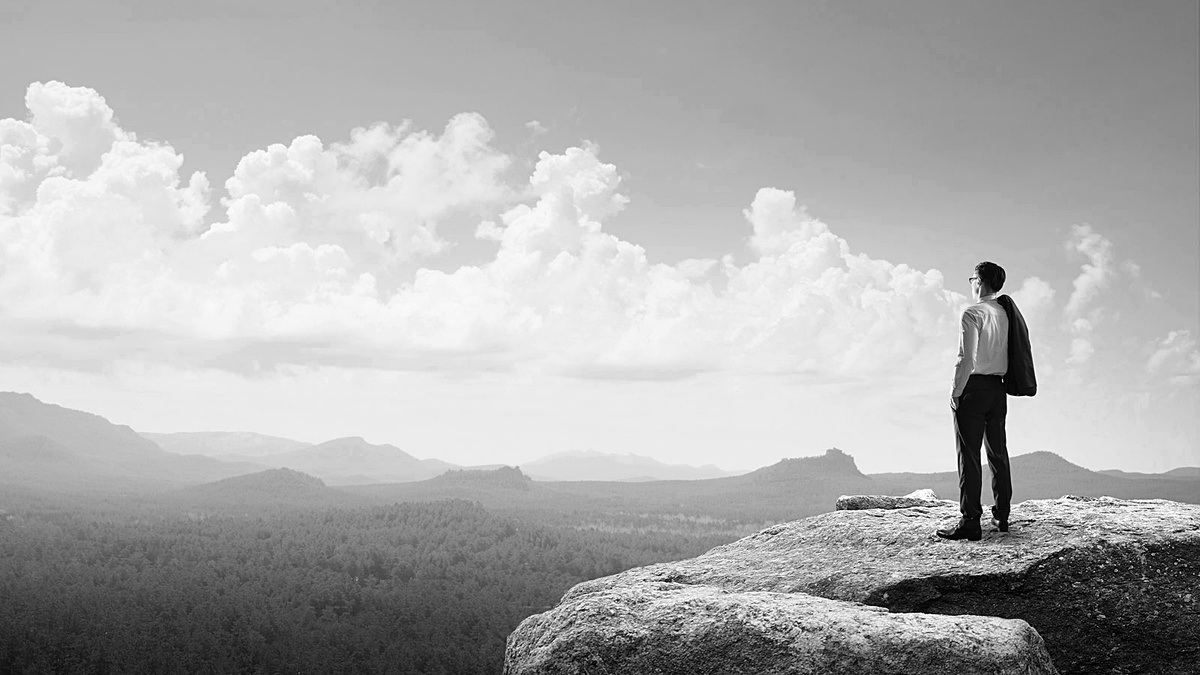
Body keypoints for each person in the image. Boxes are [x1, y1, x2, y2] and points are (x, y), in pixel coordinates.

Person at [937, 261, 1013, 541]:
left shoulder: (972, 312)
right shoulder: (1006, 313)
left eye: (972, 279)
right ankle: (1001, 515)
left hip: (974, 388)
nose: (971, 283)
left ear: (979, 281)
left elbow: (966, 358)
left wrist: (956, 391)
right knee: (998, 453)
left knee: (969, 456)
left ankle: (971, 521)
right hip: (998, 389)